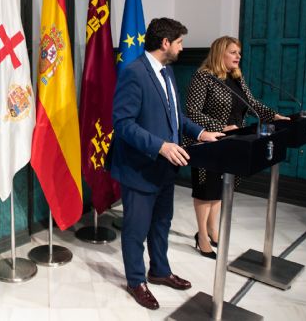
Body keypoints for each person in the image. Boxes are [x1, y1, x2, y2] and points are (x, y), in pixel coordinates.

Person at [110, 18, 224, 310]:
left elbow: (176, 116)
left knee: (162, 223)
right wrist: (160, 146)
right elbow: (123, 123)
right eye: (179, 42)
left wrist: (201, 133)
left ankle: (159, 270)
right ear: (165, 43)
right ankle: (136, 281)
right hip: (140, 167)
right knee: (136, 230)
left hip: (165, 168)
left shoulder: (167, 71)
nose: (182, 48)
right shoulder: (134, 72)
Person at [184, 36, 289, 258]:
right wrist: (221, 127)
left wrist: (274, 116)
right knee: (206, 190)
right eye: (233, 52)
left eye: (239, 52)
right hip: (208, 142)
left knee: (221, 188)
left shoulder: (236, 78)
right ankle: (202, 236)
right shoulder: (203, 77)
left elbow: (253, 104)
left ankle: (212, 229)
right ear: (219, 53)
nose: (238, 56)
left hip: (233, 143)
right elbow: (191, 112)